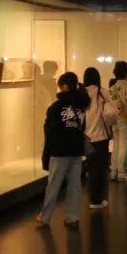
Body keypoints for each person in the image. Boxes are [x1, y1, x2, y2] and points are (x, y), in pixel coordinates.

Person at [37, 72, 90, 228]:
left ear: (65, 86)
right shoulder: (81, 105)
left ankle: (45, 217)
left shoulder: (56, 107)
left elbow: (50, 131)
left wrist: (48, 151)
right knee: (74, 185)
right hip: (76, 150)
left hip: (59, 151)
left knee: (53, 185)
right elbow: (83, 127)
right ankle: (73, 217)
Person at [82, 68, 116, 210]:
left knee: (91, 168)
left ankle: (92, 199)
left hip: (85, 136)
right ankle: (97, 200)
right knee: (100, 168)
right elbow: (114, 108)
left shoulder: (81, 93)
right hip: (101, 136)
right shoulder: (102, 92)